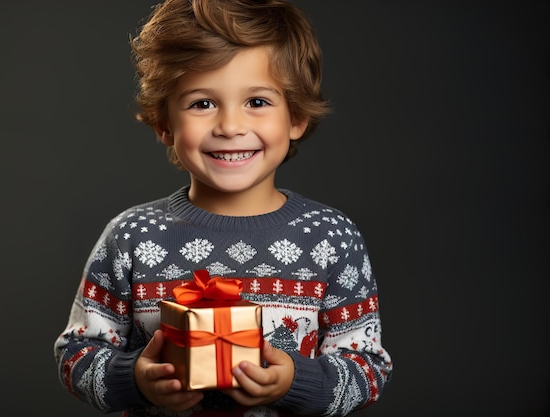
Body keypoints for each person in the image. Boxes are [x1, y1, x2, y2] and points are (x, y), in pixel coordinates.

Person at [54, 0, 393, 416]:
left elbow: (368, 367)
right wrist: (136, 380)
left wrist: (294, 382)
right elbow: (76, 353)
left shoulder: (331, 238)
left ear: (296, 117)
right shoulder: (131, 237)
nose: (230, 127)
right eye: (202, 103)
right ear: (165, 123)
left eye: (257, 102)